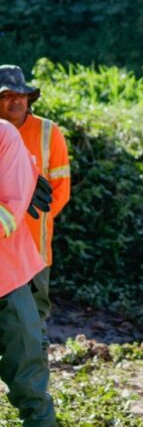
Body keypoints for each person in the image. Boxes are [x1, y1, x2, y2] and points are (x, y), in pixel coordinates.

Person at [0, 65, 71, 364]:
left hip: (36, 248)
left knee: (35, 317)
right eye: (7, 96)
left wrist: (29, 219)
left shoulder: (47, 130)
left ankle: (37, 377)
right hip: (3, 253)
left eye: (22, 95)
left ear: (30, 99)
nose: (16, 101)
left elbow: (60, 188)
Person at [0, 119, 57, 425]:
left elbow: (8, 212)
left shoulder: (3, 135)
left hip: (9, 279)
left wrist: (26, 173)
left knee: (29, 381)